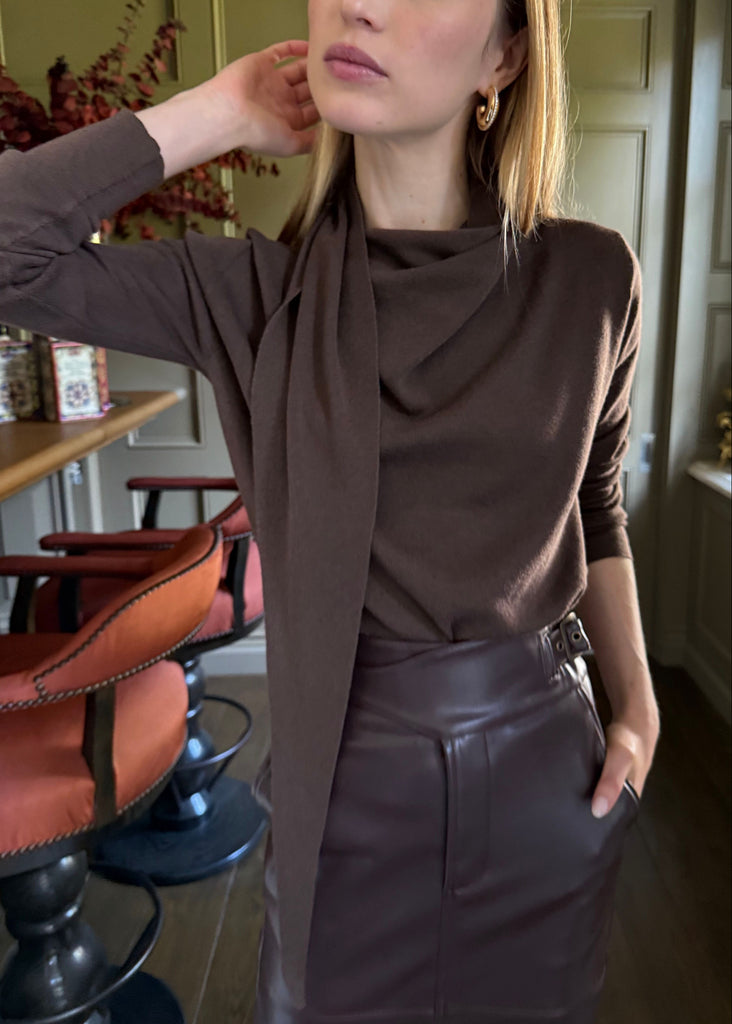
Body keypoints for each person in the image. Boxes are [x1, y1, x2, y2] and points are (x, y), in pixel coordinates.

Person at [0, 0, 661, 1021]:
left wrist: (638, 699)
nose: (362, 2)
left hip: (548, 785)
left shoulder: (592, 278)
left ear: (507, 53)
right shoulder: (250, 294)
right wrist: (217, 110)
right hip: (346, 798)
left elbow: (597, 498)